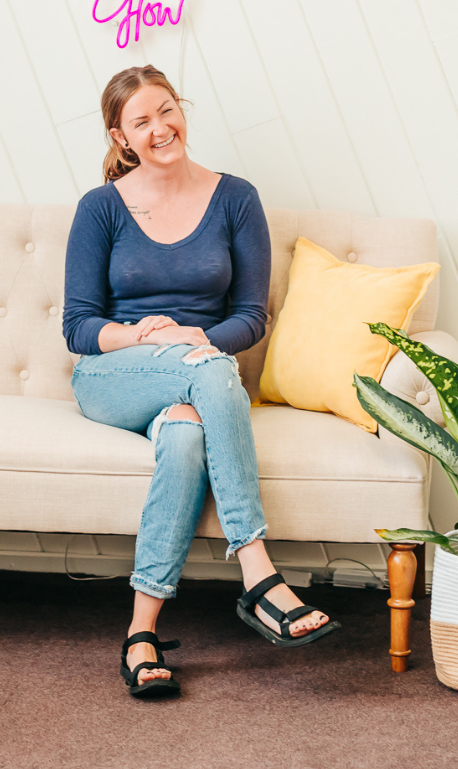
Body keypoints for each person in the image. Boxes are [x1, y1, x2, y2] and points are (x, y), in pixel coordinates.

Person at [63, 65, 338, 698]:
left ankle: (141, 634)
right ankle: (259, 574)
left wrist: (197, 342)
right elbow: (79, 328)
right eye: (141, 121)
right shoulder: (101, 208)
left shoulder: (235, 197)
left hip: (196, 377)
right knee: (211, 370)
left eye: (167, 110)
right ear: (121, 136)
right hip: (116, 374)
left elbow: (251, 317)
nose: (161, 128)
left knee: (187, 437)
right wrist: (145, 335)